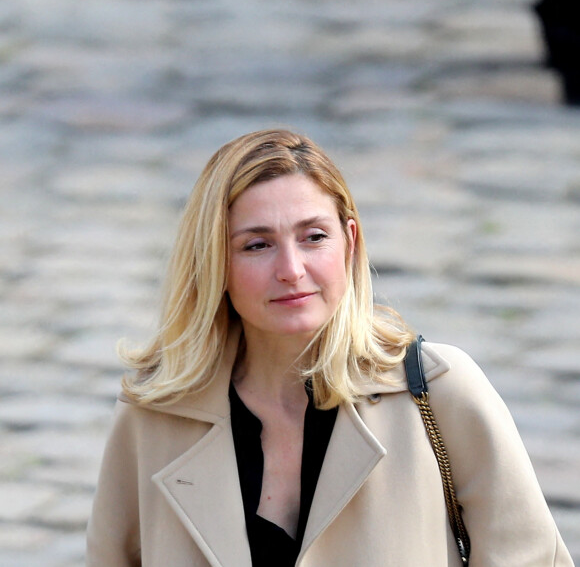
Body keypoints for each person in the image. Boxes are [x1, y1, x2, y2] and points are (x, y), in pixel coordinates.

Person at [86, 129, 574, 566]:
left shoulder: (439, 391)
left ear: (350, 241)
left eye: (313, 237)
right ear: (214, 263)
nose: (292, 269)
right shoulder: (153, 415)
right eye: (257, 245)